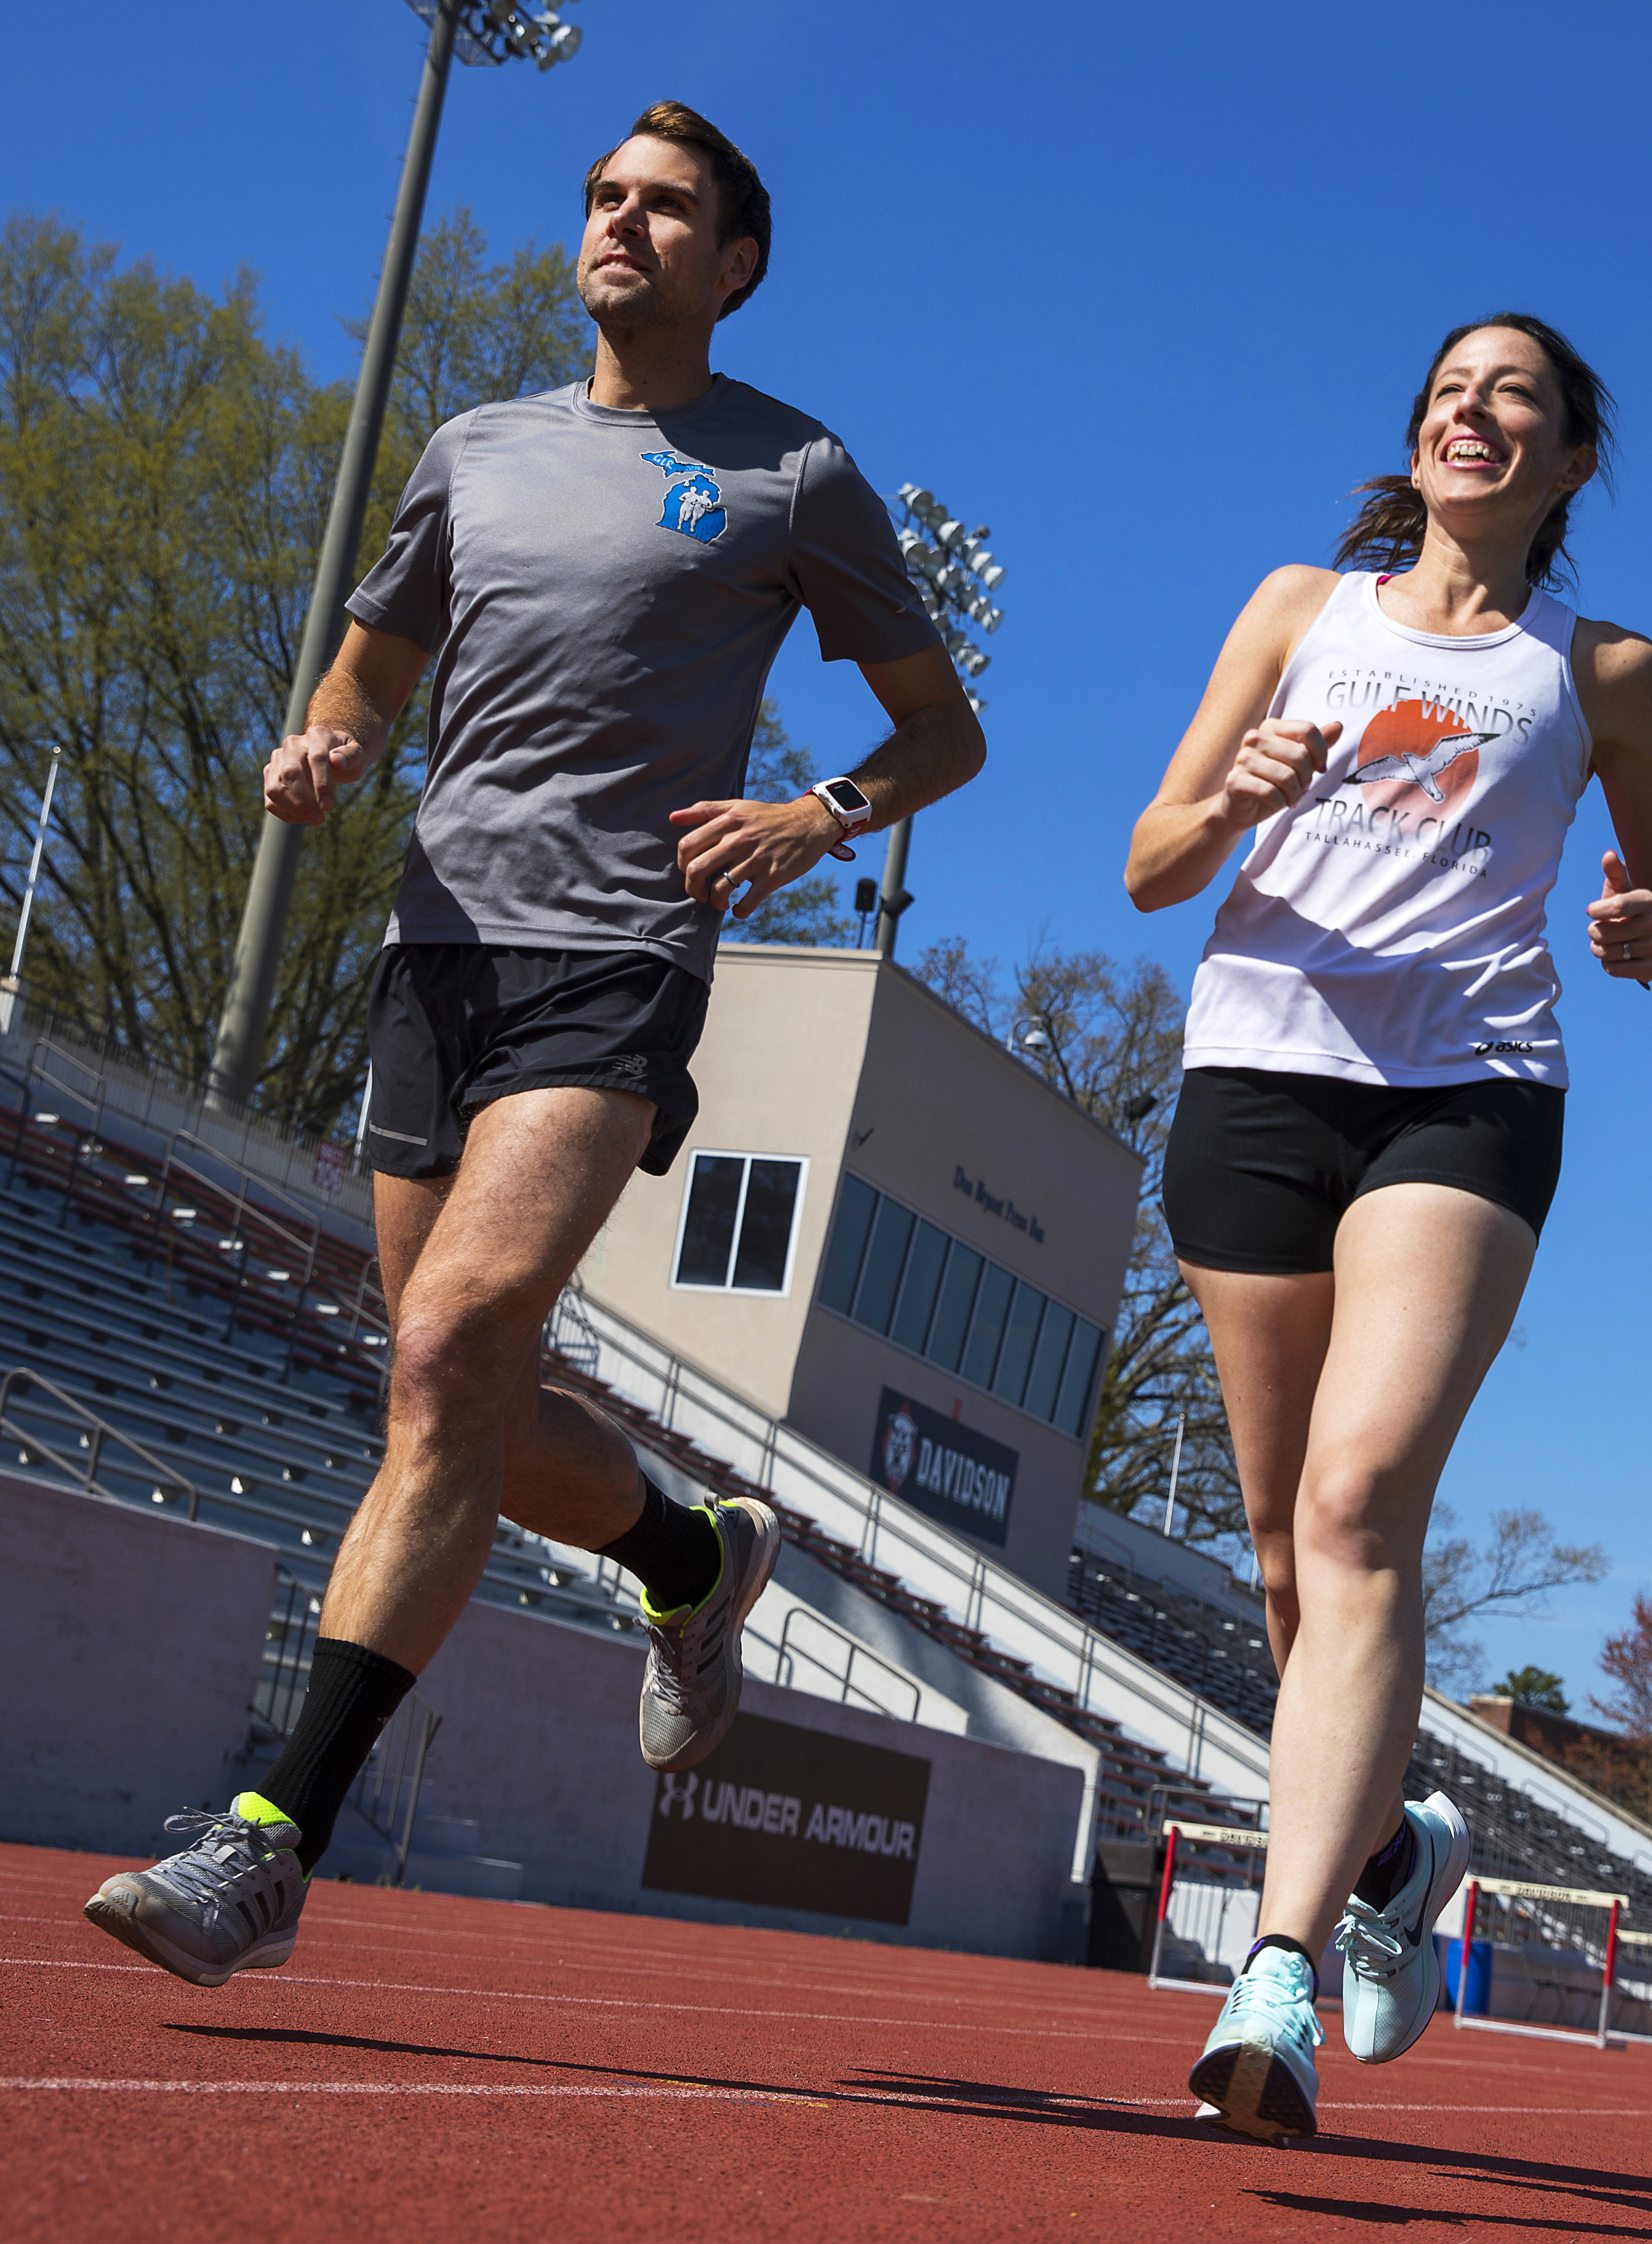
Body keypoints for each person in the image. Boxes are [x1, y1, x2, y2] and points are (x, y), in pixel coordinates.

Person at [84, 102, 985, 1987]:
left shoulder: (791, 474)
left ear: (734, 263)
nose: (621, 225)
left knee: (452, 1346)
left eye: (665, 208)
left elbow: (938, 733)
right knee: (454, 1409)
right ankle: (682, 1556)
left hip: (620, 952)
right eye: (603, 197)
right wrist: (328, 743)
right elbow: (370, 666)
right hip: (437, 947)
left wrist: (816, 817)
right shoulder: (475, 451)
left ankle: (267, 1843)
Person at [1124, 313, 1652, 2138]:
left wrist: (1651, 931)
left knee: (1363, 1500)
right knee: (1290, 1562)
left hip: (1467, 1093)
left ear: (1567, 461)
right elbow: (1149, 863)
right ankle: (1396, 1849)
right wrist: (1232, 798)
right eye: (1451, 391)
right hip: (1258, 1073)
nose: (1475, 413)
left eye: (1513, 397)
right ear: (1419, 438)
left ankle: (1282, 1965)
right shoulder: (1301, 604)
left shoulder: (1603, 668)